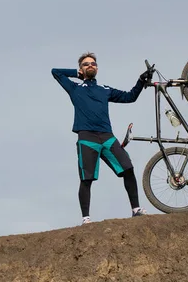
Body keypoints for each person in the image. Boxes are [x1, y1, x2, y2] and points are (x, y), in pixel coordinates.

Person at [51, 52, 151, 225]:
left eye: (93, 64)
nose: (90, 65)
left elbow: (130, 97)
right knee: (86, 179)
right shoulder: (74, 88)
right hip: (87, 138)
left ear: (97, 68)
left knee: (128, 168)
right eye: (86, 64)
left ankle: (136, 210)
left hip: (107, 137)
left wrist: (142, 80)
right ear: (81, 68)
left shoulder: (105, 90)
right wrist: (77, 74)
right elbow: (55, 72)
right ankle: (86, 219)